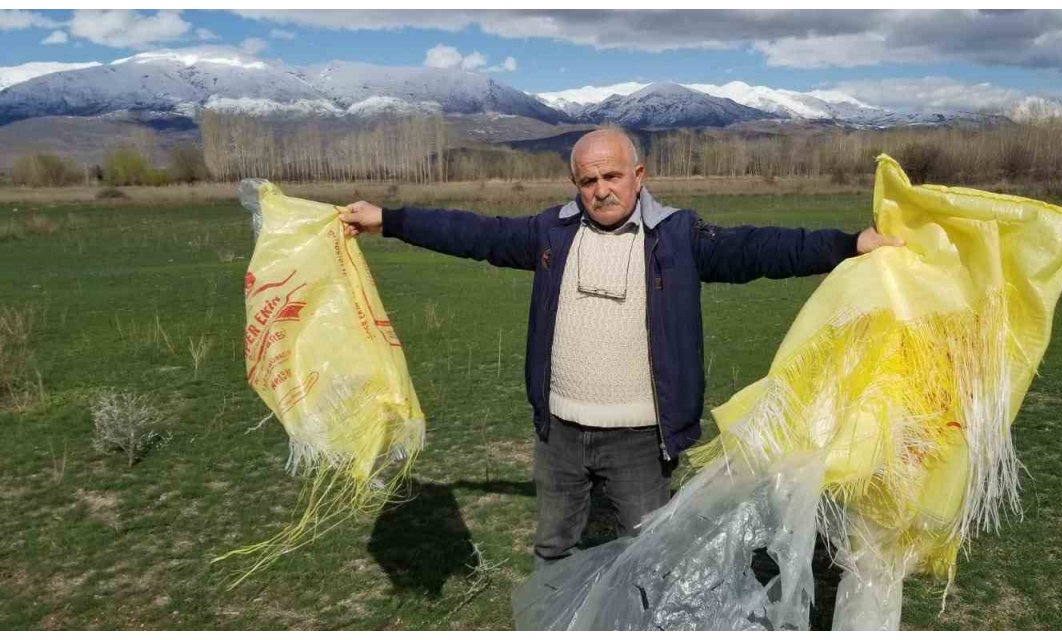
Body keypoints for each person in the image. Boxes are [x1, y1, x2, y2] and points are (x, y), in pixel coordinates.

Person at [339, 127, 903, 568]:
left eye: (612, 176)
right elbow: (474, 233)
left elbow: (761, 248)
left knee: (648, 554)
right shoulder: (550, 234)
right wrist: (389, 220)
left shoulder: (678, 237)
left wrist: (849, 243)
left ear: (638, 175)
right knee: (553, 548)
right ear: (575, 185)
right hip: (559, 432)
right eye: (588, 181)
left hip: (640, 438)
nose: (601, 190)